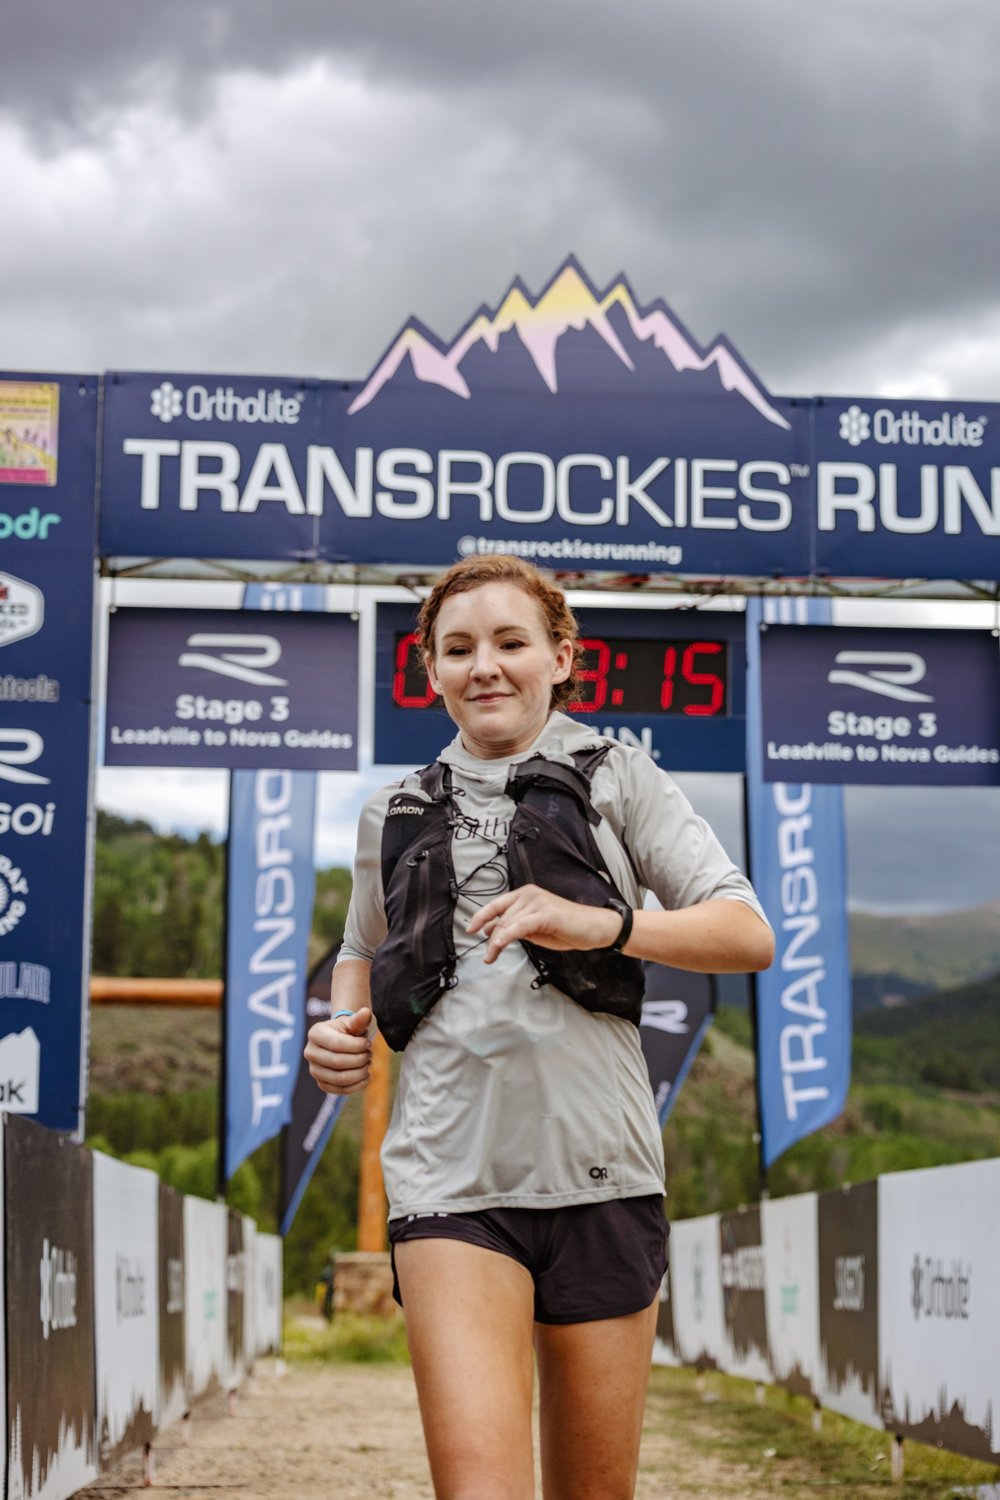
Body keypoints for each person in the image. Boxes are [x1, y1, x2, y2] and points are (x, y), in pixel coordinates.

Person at [305, 555, 773, 1500]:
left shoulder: (620, 776)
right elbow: (361, 945)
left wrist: (604, 925)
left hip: (604, 1174)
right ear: (431, 670)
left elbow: (746, 934)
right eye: (459, 648)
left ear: (561, 658)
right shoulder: (392, 810)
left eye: (510, 642)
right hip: (448, 1181)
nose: (485, 666)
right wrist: (341, 1028)